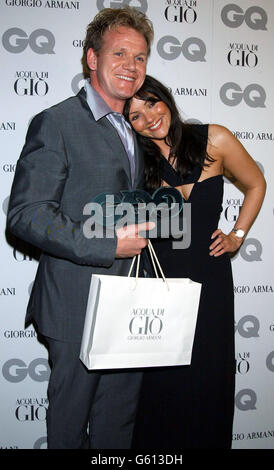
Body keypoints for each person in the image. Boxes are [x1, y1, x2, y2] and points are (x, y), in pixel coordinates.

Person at [7, 8, 154, 449]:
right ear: (92, 58)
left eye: (142, 57)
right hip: (76, 304)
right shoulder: (57, 122)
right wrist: (110, 244)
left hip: (129, 303)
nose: (132, 65)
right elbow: (27, 214)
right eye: (120, 53)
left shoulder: (137, 129)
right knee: (70, 429)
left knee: (118, 425)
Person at [124, 75, 266, 449]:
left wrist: (237, 235)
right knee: (162, 384)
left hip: (210, 277)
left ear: (165, 98)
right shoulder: (136, 159)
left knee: (208, 376)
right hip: (160, 282)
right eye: (135, 115)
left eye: (151, 103)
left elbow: (256, 183)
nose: (149, 117)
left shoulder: (214, 139)